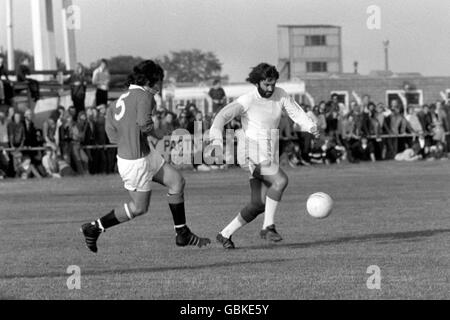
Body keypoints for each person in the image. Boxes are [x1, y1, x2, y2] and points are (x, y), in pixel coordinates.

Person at [80, 60, 210, 253]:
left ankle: (182, 233)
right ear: (152, 80)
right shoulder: (145, 96)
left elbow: (112, 134)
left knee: (177, 181)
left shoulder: (117, 101)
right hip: (136, 161)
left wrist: (132, 140)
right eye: (160, 81)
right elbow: (145, 125)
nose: (161, 85)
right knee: (139, 208)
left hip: (138, 155)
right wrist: (161, 137)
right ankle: (94, 227)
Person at [209, 63, 319, 249]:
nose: (270, 88)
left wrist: (310, 126)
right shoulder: (248, 99)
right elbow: (221, 116)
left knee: (258, 204)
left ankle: (224, 234)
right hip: (250, 151)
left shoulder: (281, 94)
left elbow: (296, 112)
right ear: (257, 82)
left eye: (272, 84)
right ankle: (268, 227)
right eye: (266, 84)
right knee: (280, 181)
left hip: (268, 151)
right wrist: (216, 141)